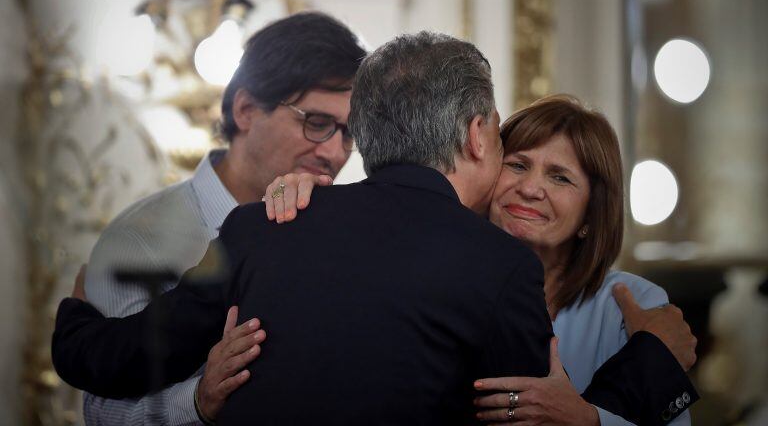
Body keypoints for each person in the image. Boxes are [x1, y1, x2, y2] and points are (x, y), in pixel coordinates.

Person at [53, 34, 695, 425]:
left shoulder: (260, 228)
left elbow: (122, 358)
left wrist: (75, 322)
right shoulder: (499, 268)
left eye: (560, 178)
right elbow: (523, 421)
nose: (525, 182)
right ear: (476, 136)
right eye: (508, 146)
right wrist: (654, 367)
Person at [263, 95, 698, 425]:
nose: (530, 188)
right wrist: (307, 201)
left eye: (559, 176)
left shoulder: (634, 304)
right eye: (518, 165)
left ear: (591, 214)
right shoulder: (427, 270)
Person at [78, 11, 367, 425]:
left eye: (349, 132)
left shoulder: (336, 232)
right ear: (246, 109)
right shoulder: (139, 239)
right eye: (317, 123)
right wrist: (199, 400)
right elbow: (101, 411)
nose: (336, 153)